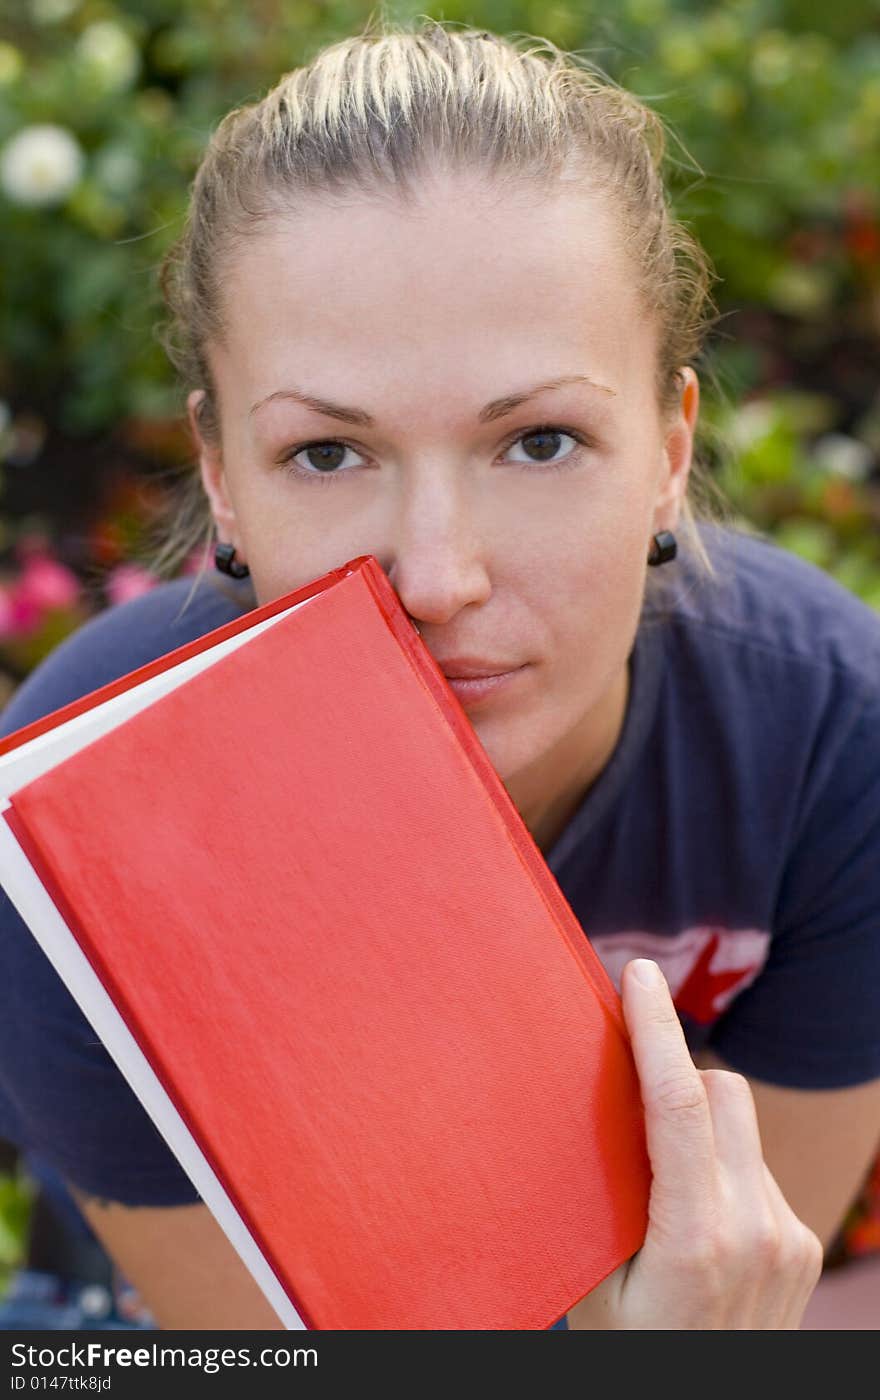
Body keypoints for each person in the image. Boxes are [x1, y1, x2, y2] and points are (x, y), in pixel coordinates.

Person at [1, 18, 877, 1330]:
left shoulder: (828, 740)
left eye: (538, 441)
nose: (436, 579)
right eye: (328, 455)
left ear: (670, 447)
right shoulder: (73, 818)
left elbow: (751, 1280)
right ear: (222, 474)